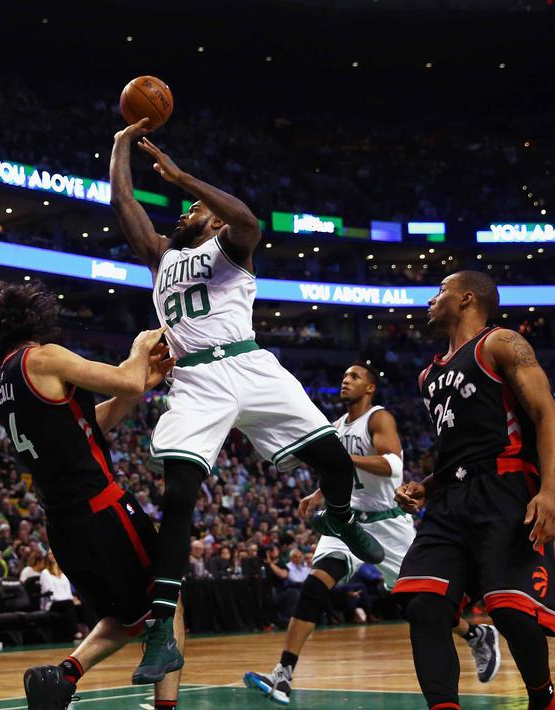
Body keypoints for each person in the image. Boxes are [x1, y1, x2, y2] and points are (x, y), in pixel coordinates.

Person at [111, 118, 383, 684]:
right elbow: (124, 204)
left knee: (334, 462)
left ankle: (340, 518)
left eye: (194, 210)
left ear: (212, 218)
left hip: (251, 364)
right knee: (179, 496)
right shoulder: (161, 257)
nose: (184, 213)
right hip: (196, 378)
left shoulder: (231, 246)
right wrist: (119, 147)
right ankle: (161, 632)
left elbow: (248, 220)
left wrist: (184, 178)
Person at [245, 363, 501, 705]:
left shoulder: (378, 418)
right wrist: (319, 493)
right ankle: (283, 673)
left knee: (421, 605)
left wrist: (344, 459)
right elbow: (339, 471)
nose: (345, 381)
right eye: (343, 376)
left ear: (370, 388)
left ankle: (476, 634)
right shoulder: (337, 426)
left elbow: (392, 465)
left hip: (389, 523)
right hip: (348, 520)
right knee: (315, 585)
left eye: (354, 377)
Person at [0, 281, 183, 710]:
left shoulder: (0, 384)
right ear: (37, 318)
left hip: (63, 526)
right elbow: (126, 380)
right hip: (103, 510)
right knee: (168, 594)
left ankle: (63, 677)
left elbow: (84, 427)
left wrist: (139, 386)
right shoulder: (43, 357)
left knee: (125, 617)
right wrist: (140, 349)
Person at [393, 271, 555, 710]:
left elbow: (546, 415)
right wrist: (427, 486)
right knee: (424, 605)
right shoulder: (427, 376)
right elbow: (460, 449)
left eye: (440, 291)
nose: (431, 299)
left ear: (467, 298)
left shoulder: (500, 343)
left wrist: (550, 492)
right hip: (450, 498)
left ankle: (544, 698)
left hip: (505, 487)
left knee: (509, 610)